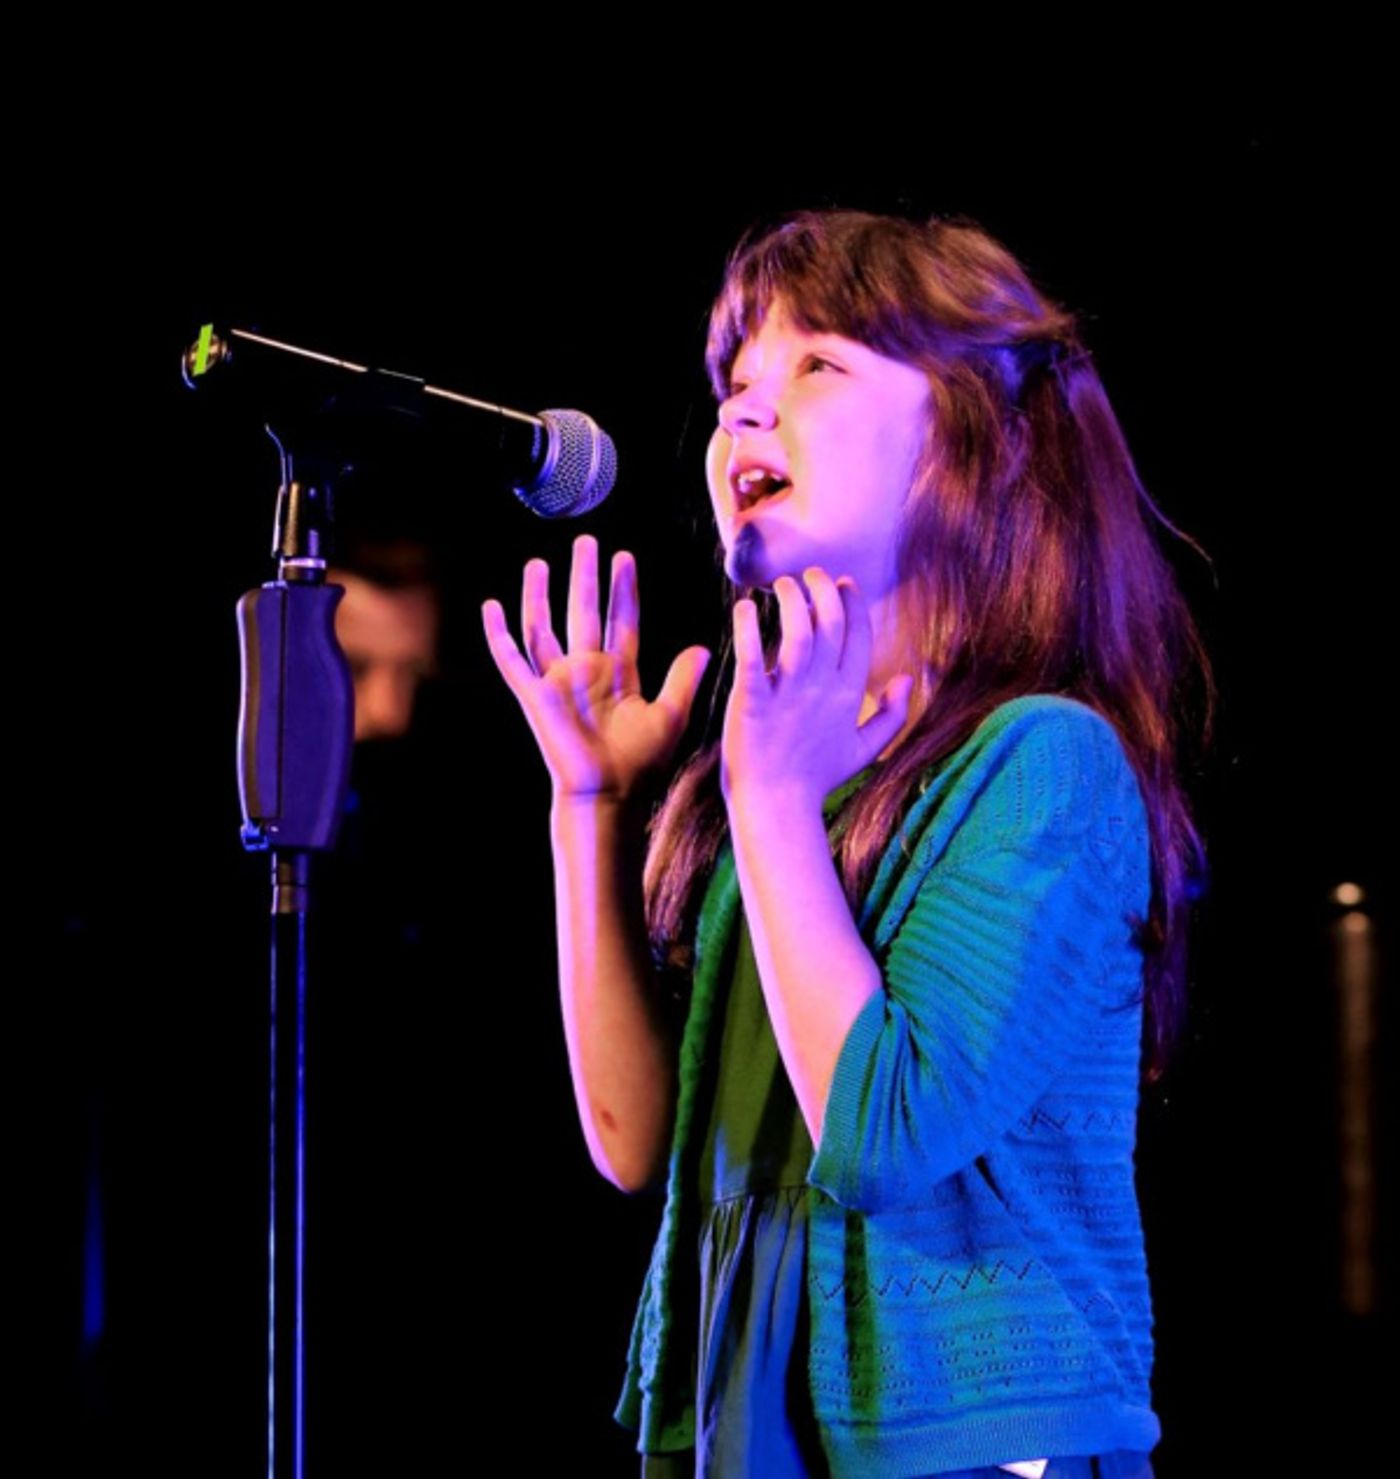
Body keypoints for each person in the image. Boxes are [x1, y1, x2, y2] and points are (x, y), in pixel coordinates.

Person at [480, 209, 1212, 1478]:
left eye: (816, 366)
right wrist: (587, 806)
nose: (744, 417)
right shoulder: (776, 780)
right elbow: (637, 1138)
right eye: (734, 386)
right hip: (745, 1409)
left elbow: (880, 1130)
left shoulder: (1043, 763)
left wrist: (766, 800)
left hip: (967, 1436)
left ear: (968, 448)